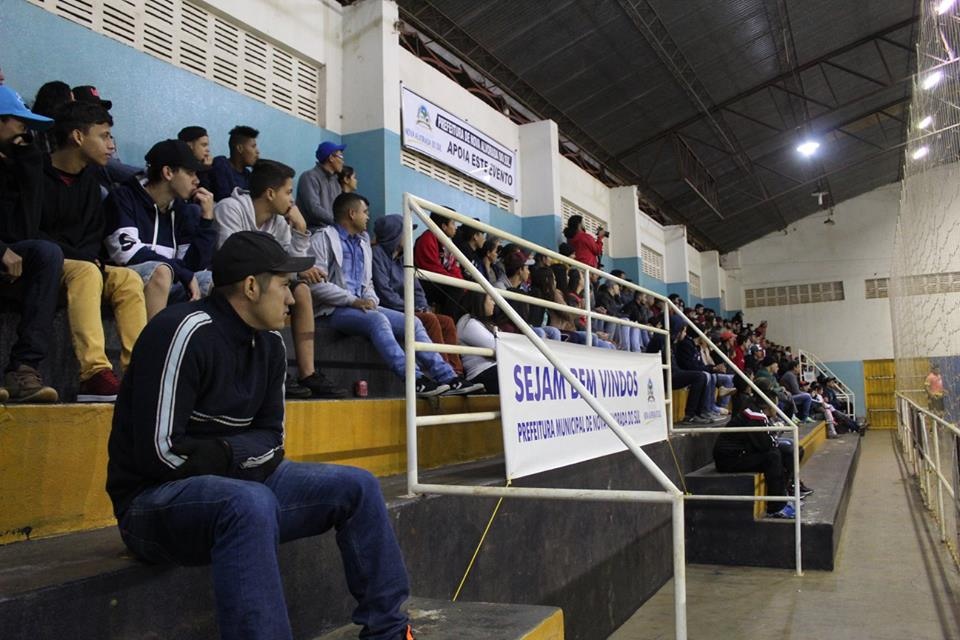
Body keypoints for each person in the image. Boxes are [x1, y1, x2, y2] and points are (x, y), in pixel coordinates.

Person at [106, 231, 415, 640]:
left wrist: (221, 454)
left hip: (243, 487)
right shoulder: (181, 332)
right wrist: (239, 458)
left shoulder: (270, 342)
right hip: (151, 507)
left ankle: (389, 632)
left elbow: (273, 441)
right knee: (249, 502)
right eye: (285, 286)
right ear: (251, 286)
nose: (292, 299)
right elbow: (158, 454)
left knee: (357, 486)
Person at [307, 193, 481, 397]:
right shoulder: (322, 238)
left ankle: (448, 377)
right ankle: (414, 379)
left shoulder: (363, 244)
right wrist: (353, 301)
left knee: (414, 323)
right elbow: (315, 286)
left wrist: (370, 299)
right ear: (351, 214)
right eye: (365, 212)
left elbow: (368, 284)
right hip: (334, 310)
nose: (367, 217)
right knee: (378, 319)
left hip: (360, 306)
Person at [40, 101, 147, 401]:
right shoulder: (37, 172)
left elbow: (92, 233)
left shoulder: (90, 180)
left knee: (127, 279)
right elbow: (30, 231)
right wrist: (82, 257)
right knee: (87, 270)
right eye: (104, 136)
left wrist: (87, 256)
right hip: (45, 262)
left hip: (81, 264)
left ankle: (139, 372)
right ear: (77, 137)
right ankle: (94, 373)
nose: (111, 145)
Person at [214, 159, 346, 399]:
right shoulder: (229, 208)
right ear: (270, 193)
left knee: (302, 291)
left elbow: (291, 265)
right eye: (288, 192)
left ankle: (308, 373)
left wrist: (300, 228)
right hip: (231, 282)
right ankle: (271, 369)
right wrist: (283, 271)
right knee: (272, 290)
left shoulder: (279, 223)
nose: (292, 199)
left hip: (266, 281)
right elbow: (231, 257)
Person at [104, 139, 217, 319]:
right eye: (190, 173)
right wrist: (180, 271)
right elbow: (127, 254)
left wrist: (206, 221)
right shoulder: (124, 197)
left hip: (166, 285)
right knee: (161, 271)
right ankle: (152, 346)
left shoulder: (181, 211)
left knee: (212, 282)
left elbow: (193, 268)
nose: (197, 180)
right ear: (168, 172)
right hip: (123, 284)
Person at [0, 85, 61, 402]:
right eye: (20, 125)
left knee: (46, 253)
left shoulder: (14, 165)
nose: (26, 133)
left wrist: (29, 160)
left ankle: (23, 369)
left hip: (9, 262)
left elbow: (27, 227)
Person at [371, 214, 463, 376]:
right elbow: (384, 292)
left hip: (409, 308)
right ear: (395, 233)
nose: (409, 237)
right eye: (406, 232)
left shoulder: (404, 258)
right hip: (391, 309)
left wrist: (423, 307)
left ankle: (457, 372)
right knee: (430, 319)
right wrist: (414, 309)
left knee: (447, 322)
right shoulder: (377, 254)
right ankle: (445, 375)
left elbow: (417, 290)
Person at [713, 378, 803, 519]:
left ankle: (785, 495)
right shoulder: (754, 415)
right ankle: (776, 507)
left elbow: (766, 441)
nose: (778, 408)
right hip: (729, 460)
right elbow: (767, 444)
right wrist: (774, 432)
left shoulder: (756, 411)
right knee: (773, 456)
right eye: (776, 405)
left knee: (790, 450)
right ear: (770, 404)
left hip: (742, 453)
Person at [456, 290, 499, 393]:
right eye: (491, 299)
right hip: (480, 374)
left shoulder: (481, 322)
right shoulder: (468, 323)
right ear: (480, 301)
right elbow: (497, 346)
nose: (494, 303)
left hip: (491, 370)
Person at [296, 140, 345, 229]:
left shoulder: (336, 183)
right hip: (313, 232)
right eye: (341, 156)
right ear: (331, 158)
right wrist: (338, 222)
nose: (343, 161)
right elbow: (313, 208)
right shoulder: (309, 177)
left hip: (331, 230)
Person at [209, 125, 259, 201]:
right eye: (253, 146)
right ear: (240, 148)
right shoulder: (221, 164)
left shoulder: (247, 175)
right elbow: (225, 199)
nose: (257, 152)